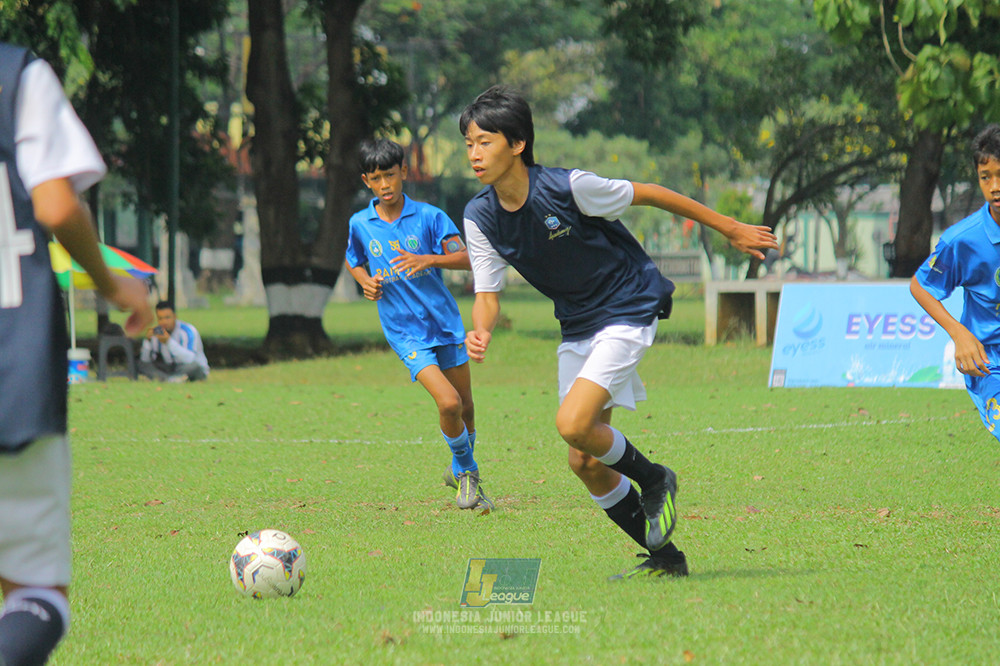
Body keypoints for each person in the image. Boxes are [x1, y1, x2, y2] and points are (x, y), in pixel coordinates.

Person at [459, 86, 778, 579]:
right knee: (583, 460)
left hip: (628, 304)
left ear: (517, 143)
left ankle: (656, 479)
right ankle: (668, 559)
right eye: (469, 144)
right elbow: (487, 293)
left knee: (573, 423)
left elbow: (649, 193)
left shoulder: (569, 187)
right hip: (578, 324)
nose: (474, 154)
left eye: (485, 141)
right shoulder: (479, 216)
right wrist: (481, 331)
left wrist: (729, 227)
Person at [0, 42, 152, 665]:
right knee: (35, 591)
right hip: (11, 375)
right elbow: (56, 203)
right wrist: (113, 283)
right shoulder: (16, 74)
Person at [345, 138, 492, 511]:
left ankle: (459, 468)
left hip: (444, 323)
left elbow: (468, 259)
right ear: (366, 181)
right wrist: (365, 282)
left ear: (404, 173)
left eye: (390, 175)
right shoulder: (361, 223)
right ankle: (469, 474)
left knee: (467, 407)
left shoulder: (430, 216)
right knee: (448, 402)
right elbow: (354, 260)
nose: (384, 185)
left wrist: (429, 260)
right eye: (376, 178)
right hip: (404, 331)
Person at [911, 124, 1000, 440]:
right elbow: (920, 286)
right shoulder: (963, 240)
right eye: (985, 176)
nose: (994, 186)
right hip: (991, 365)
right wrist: (958, 333)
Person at [137, 301, 209, 382]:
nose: (164, 322)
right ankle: (172, 379)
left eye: (167, 318)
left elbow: (190, 359)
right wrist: (147, 341)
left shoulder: (188, 331)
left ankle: (170, 379)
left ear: (175, 317)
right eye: (160, 318)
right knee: (142, 365)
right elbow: (145, 360)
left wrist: (168, 342)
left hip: (186, 366)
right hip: (168, 368)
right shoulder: (156, 332)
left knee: (195, 366)